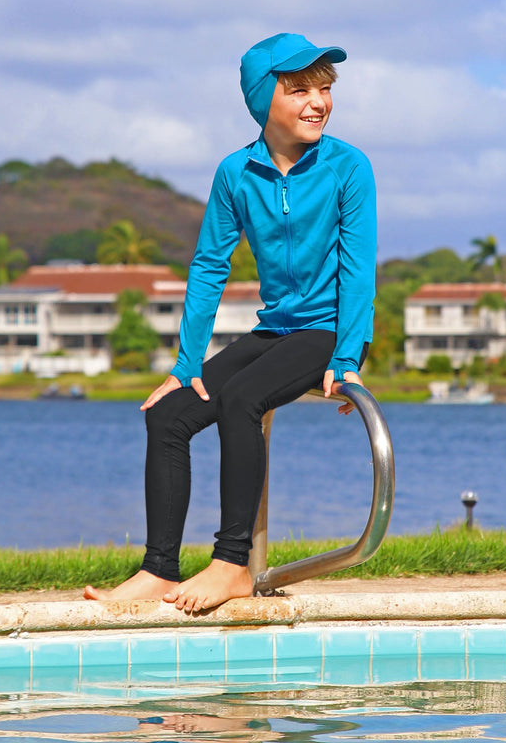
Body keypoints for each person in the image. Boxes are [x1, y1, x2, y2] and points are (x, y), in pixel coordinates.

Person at [84, 33, 376, 612]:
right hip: (275, 331)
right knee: (168, 415)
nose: (317, 102)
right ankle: (159, 570)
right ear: (263, 98)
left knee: (241, 398)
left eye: (324, 89)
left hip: (328, 330)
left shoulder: (348, 167)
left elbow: (359, 268)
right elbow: (209, 267)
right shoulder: (236, 173)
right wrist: (185, 363)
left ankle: (232, 563)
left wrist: (347, 358)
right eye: (299, 91)